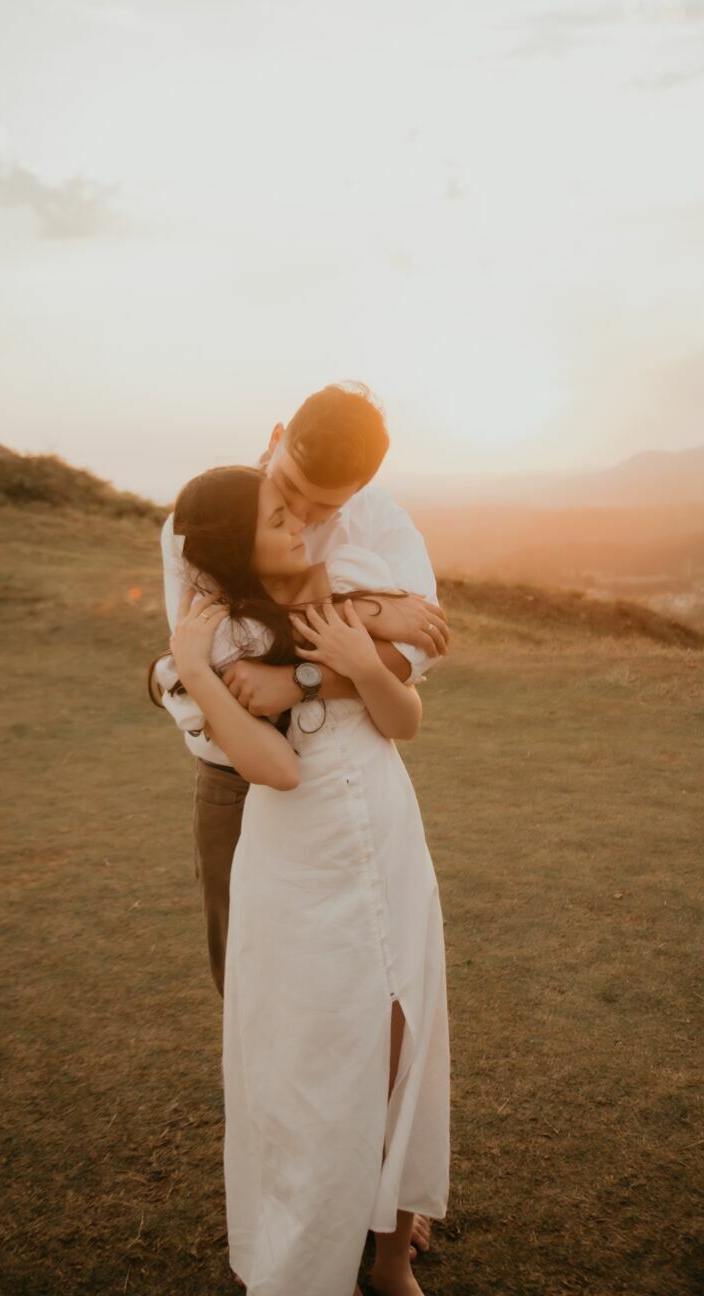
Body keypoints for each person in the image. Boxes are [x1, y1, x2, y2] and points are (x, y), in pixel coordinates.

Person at [150, 461, 450, 1296]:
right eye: (278, 515)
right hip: (300, 862)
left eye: (296, 512)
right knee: (313, 1061)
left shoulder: (342, 596)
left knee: (401, 1034)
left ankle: (391, 1258)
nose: (300, 525)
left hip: (389, 837)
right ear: (231, 546)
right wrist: (202, 676)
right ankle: (310, 1262)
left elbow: (408, 716)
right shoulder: (220, 641)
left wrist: (353, 656)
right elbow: (275, 769)